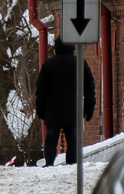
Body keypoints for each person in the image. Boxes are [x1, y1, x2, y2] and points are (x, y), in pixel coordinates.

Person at [35, 37, 95, 166]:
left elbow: (41, 91)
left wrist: (40, 111)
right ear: (72, 47)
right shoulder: (80, 63)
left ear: (56, 48)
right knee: (73, 140)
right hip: (73, 109)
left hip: (53, 110)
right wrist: (89, 108)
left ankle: (49, 163)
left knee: (51, 139)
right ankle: (72, 164)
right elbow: (89, 88)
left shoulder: (48, 65)